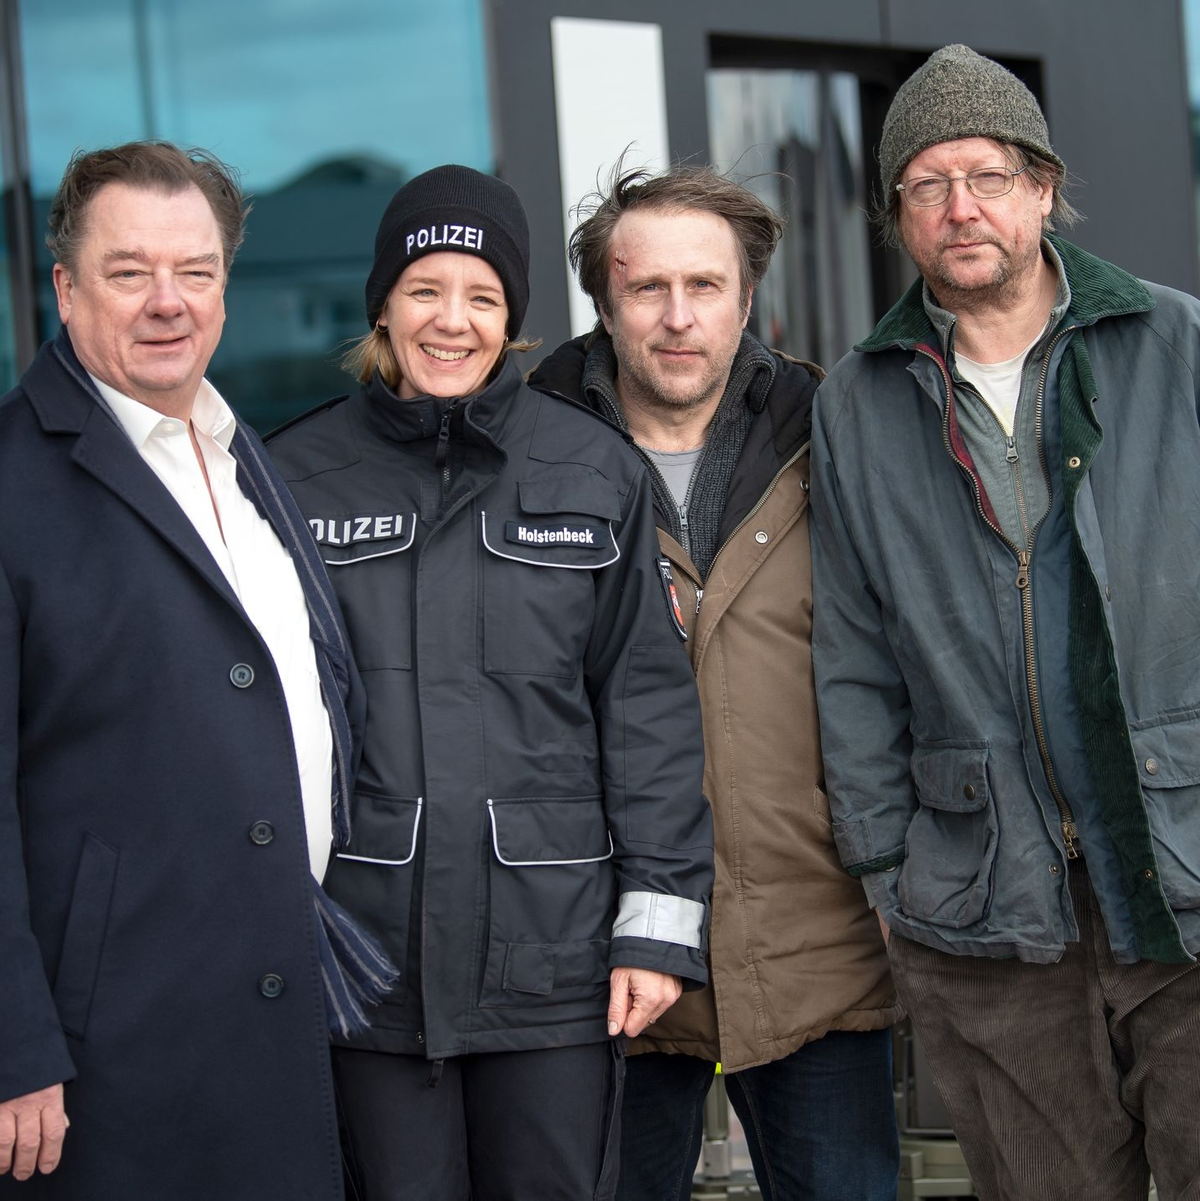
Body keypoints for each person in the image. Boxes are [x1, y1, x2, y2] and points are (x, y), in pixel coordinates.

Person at [266, 164, 713, 1201]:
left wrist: (656, 928)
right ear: (385, 302)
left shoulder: (592, 468)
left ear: (512, 316)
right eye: (425, 290)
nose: (450, 321)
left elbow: (643, 707)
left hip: (554, 964)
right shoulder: (292, 477)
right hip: (363, 961)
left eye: (482, 296)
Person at [811, 43, 1200, 1201]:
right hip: (986, 910)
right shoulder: (857, 400)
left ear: (1042, 187)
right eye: (925, 185)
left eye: (985, 174)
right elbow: (852, 651)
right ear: (896, 218)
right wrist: (888, 870)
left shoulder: (1177, 347)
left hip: (1185, 871)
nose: (959, 206)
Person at [0, 141, 393, 1200]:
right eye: (130, 272)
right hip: (113, 1048)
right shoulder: (11, 487)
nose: (167, 302)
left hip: (276, 1002)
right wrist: (12, 1046)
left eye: (198, 271)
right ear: (66, 290)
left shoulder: (241, 451)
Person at [528, 165, 900, 1201]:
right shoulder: (525, 460)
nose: (679, 318)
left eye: (707, 286)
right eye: (648, 289)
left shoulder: (837, 438)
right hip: (603, 962)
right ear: (605, 302)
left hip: (813, 942)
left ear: (749, 298)